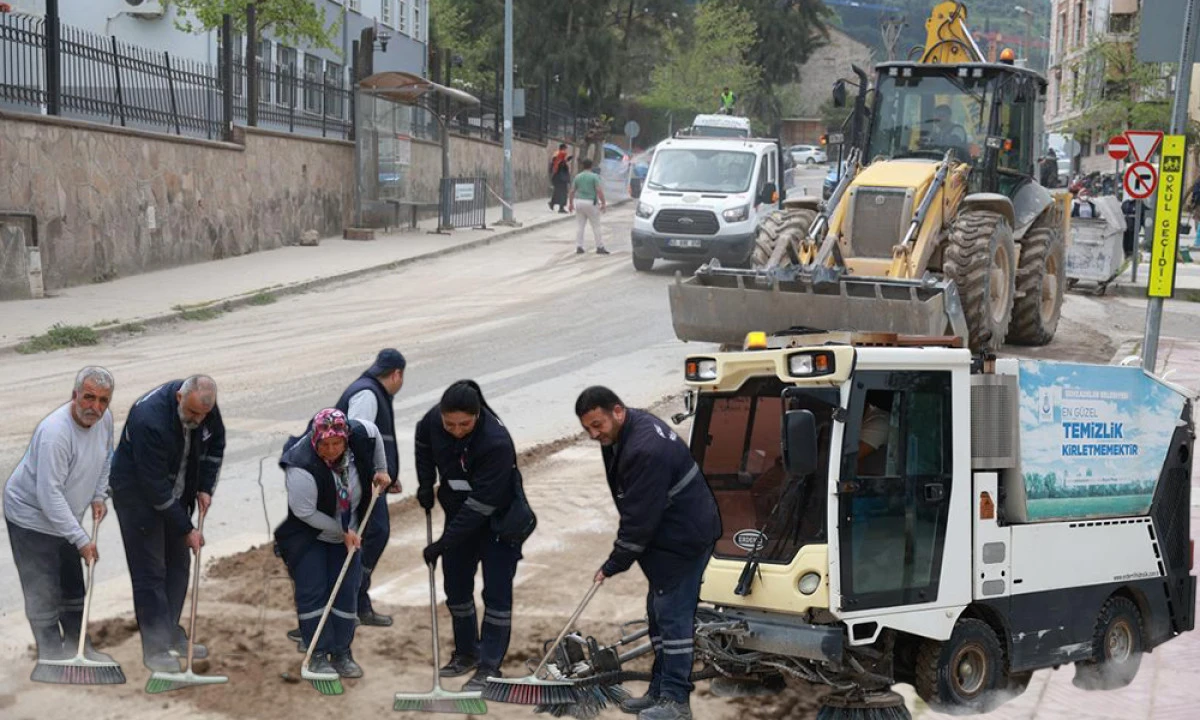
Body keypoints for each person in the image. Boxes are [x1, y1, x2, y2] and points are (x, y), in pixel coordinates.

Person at [575, 386, 722, 720]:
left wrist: (614, 563)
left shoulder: (644, 449)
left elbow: (639, 519)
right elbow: (633, 506)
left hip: (684, 538)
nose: (594, 434)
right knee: (658, 614)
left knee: (672, 617)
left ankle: (675, 701)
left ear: (618, 411)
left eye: (597, 425)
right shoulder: (622, 434)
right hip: (667, 536)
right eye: (587, 429)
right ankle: (659, 691)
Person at [417, 380, 526, 692]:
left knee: (496, 593)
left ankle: (489, 668)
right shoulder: (431, 422)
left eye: (464, 424)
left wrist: (442, 543)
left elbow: (480, 507)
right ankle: (467, 652)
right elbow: (423, 446)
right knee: (456, 586)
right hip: (459, 514)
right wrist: (426, 483)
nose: (456, 430)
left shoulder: (496, 442)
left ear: (477, 416)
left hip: (500, 522)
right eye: (449, 424)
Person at [110, 375, 225, 672]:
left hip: (176, 494)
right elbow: (154, 486)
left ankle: (170, 633)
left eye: (203, 415)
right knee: (151, 573)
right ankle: (155, 649)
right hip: (138, 499)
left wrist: (204, 488)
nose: (198, 420)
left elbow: (215, 446)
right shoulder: (149, 419)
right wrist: (187, 529)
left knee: (177, 566)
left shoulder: (205, 407)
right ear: (179, 398)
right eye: (192, 414)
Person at [4, 367, 117, 666]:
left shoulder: (104, 420)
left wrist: (98, 495)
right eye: (89, 397)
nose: (95, 407)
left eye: (103, 400)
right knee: (42, 586)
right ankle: (52, 655)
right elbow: (49, 496)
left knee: (72, 583)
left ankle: (80, 646)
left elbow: (107, 456)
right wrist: (80, 540)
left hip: (63, 514)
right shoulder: (55, 434)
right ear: (75, 395)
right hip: (31, 516)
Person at [275, 409, 391, 679]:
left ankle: (342, 652)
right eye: (324, 444)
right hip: (309, 535)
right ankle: (317, 654)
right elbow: (305, 512)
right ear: (315, 440)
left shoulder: (360, 434)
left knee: (346, 591)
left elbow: (375, 435)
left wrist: (381, 470)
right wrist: (342, 531)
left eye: (337, 443)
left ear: (346, 438)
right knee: (313, 591)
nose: (331, 450)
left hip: (348, 529)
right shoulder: (300, 465)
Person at [570, 158, 608, 255]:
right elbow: (599, 191)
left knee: (580, 226)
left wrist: (570, 203)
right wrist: (603, 203)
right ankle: (599, 247)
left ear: (583, 166)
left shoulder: (578, 177)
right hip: (591, 202)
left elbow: (572, 191)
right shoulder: (594, 177)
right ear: (591, 166)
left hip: (579, 202)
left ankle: (579, 246)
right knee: (596, 226)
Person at [549, 144, 572, 213]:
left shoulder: (556, 158)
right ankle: (561, 208)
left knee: (557, 191)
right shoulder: (560, 158)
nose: (565, 152)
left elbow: (559, 163)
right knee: (563, 192)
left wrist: (566, 160)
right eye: (565, 149)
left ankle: (552, 203)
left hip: (557, 177)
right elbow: (562, 167)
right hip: (561, 178)